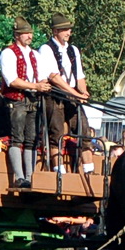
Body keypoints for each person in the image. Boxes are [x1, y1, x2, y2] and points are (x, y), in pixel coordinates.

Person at [0, 17, 48, 188]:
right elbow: (12, 80)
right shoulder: (8, 53)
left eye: (30, 33)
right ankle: (19, 177)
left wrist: (42, 84)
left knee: (32, 139)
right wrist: (36, 85)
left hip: (32, 99)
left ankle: (30, 176)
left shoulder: (35, 54)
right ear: (17, 35)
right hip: (16, 99)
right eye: (26, 33)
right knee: (17, 138)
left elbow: (42, 75)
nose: (30, 36)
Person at [36, 13, 91, 171]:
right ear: (55, 31)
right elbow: (55, 77)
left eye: (69, 29)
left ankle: (89, 170)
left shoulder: (73, 50)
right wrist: (76, 94)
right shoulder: (46, 49)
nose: (68, 32)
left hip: (72, 95)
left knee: (84, 130)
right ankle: (59, 172)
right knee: (57, 134)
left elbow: (79, 76)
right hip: (55, 96)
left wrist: (84, 92)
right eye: (64, 29)